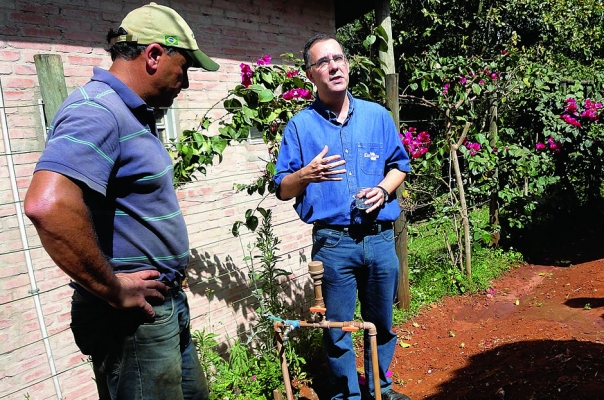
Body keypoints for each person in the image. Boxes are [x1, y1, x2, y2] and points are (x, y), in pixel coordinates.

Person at [24, 3, 219, 399]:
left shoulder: (132, 113)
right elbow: (47, 204)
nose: (185, 83)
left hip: (161, 305)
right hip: (133, 320)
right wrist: (113, 288)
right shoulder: (97, 110)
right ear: (153, 55)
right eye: (184, 68)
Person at [273, 34, 412, 400]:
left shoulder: (377, 117)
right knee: (337, 328)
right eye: (323, 62)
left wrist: (383, 190)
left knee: (381, 323)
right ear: (310, 74)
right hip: (333, 244)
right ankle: (346, 396)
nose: (334, 66)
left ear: (347, 65)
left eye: (339, 58)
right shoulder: (300, 127)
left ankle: (381, 389)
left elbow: (400, 166)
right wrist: (305, 175)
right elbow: (282, 188)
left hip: (380, 239)